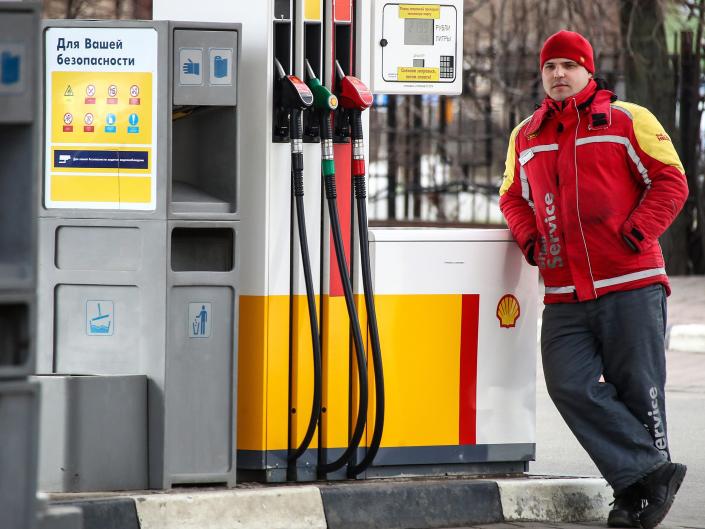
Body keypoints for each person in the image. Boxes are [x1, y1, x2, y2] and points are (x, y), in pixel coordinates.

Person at [499, 30, 688, 529]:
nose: (558, 74)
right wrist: (533, 243)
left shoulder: (627, 120)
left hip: (631, 282)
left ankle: (635, 498)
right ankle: (653, 473)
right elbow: (511, 197)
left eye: (568, 65)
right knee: (568, 384)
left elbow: (671, 179)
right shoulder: (527, 135)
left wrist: (637, 232)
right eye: (549, 67)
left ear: (587, 70)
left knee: (638, 389)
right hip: (564, 293)